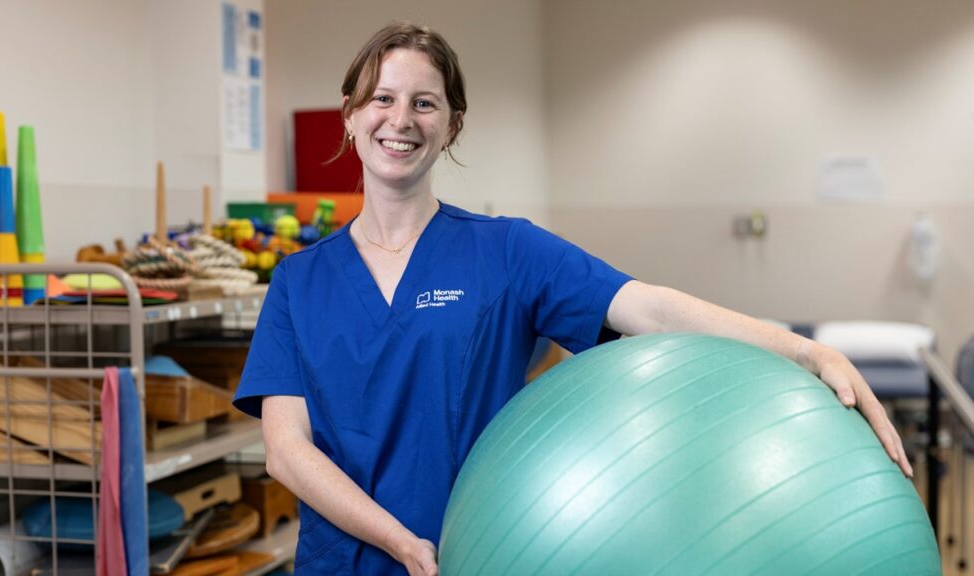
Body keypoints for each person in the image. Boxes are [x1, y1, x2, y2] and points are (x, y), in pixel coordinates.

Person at [233, 22, 912, 576]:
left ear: (453, 125)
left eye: (424, 102)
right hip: (347, 563)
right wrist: (400, 544)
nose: (400, 120)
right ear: (350, 116)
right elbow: (286, 452)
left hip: (483, 554)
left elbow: (648, 307)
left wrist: (802, 350)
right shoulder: (300, 280)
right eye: (381, 99)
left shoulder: (507, 253)